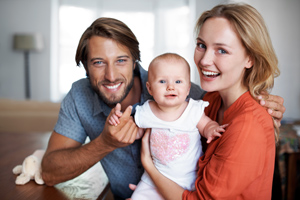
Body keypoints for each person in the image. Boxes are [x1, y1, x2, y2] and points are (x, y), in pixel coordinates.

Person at [41, 17, 285, 199]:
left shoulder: (187, 95)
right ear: (84, 66)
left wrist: (260, 101)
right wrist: (105, 143)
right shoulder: (79, 96)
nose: (111, 75)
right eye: (97, 63)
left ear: (135, 59)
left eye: (121, 60)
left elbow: (240, 113)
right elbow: (50, 172)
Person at [140, 3, 282, 200]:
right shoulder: (210, 100)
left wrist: (149, 166)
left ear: (250, 58)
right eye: (201, 45)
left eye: (221, 50)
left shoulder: (249, 123)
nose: (204, 60)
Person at [109, 53, 227, 199]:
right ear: (150, 88)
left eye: (178, 82)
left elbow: (206, 125)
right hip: (152, 182)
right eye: (162, 81)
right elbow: (136, 132)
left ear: (188, 88)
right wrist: (120, 123)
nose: (171, 87)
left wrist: (212, 130)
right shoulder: (146, 111)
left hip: (188, 180)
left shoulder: (193, 110)